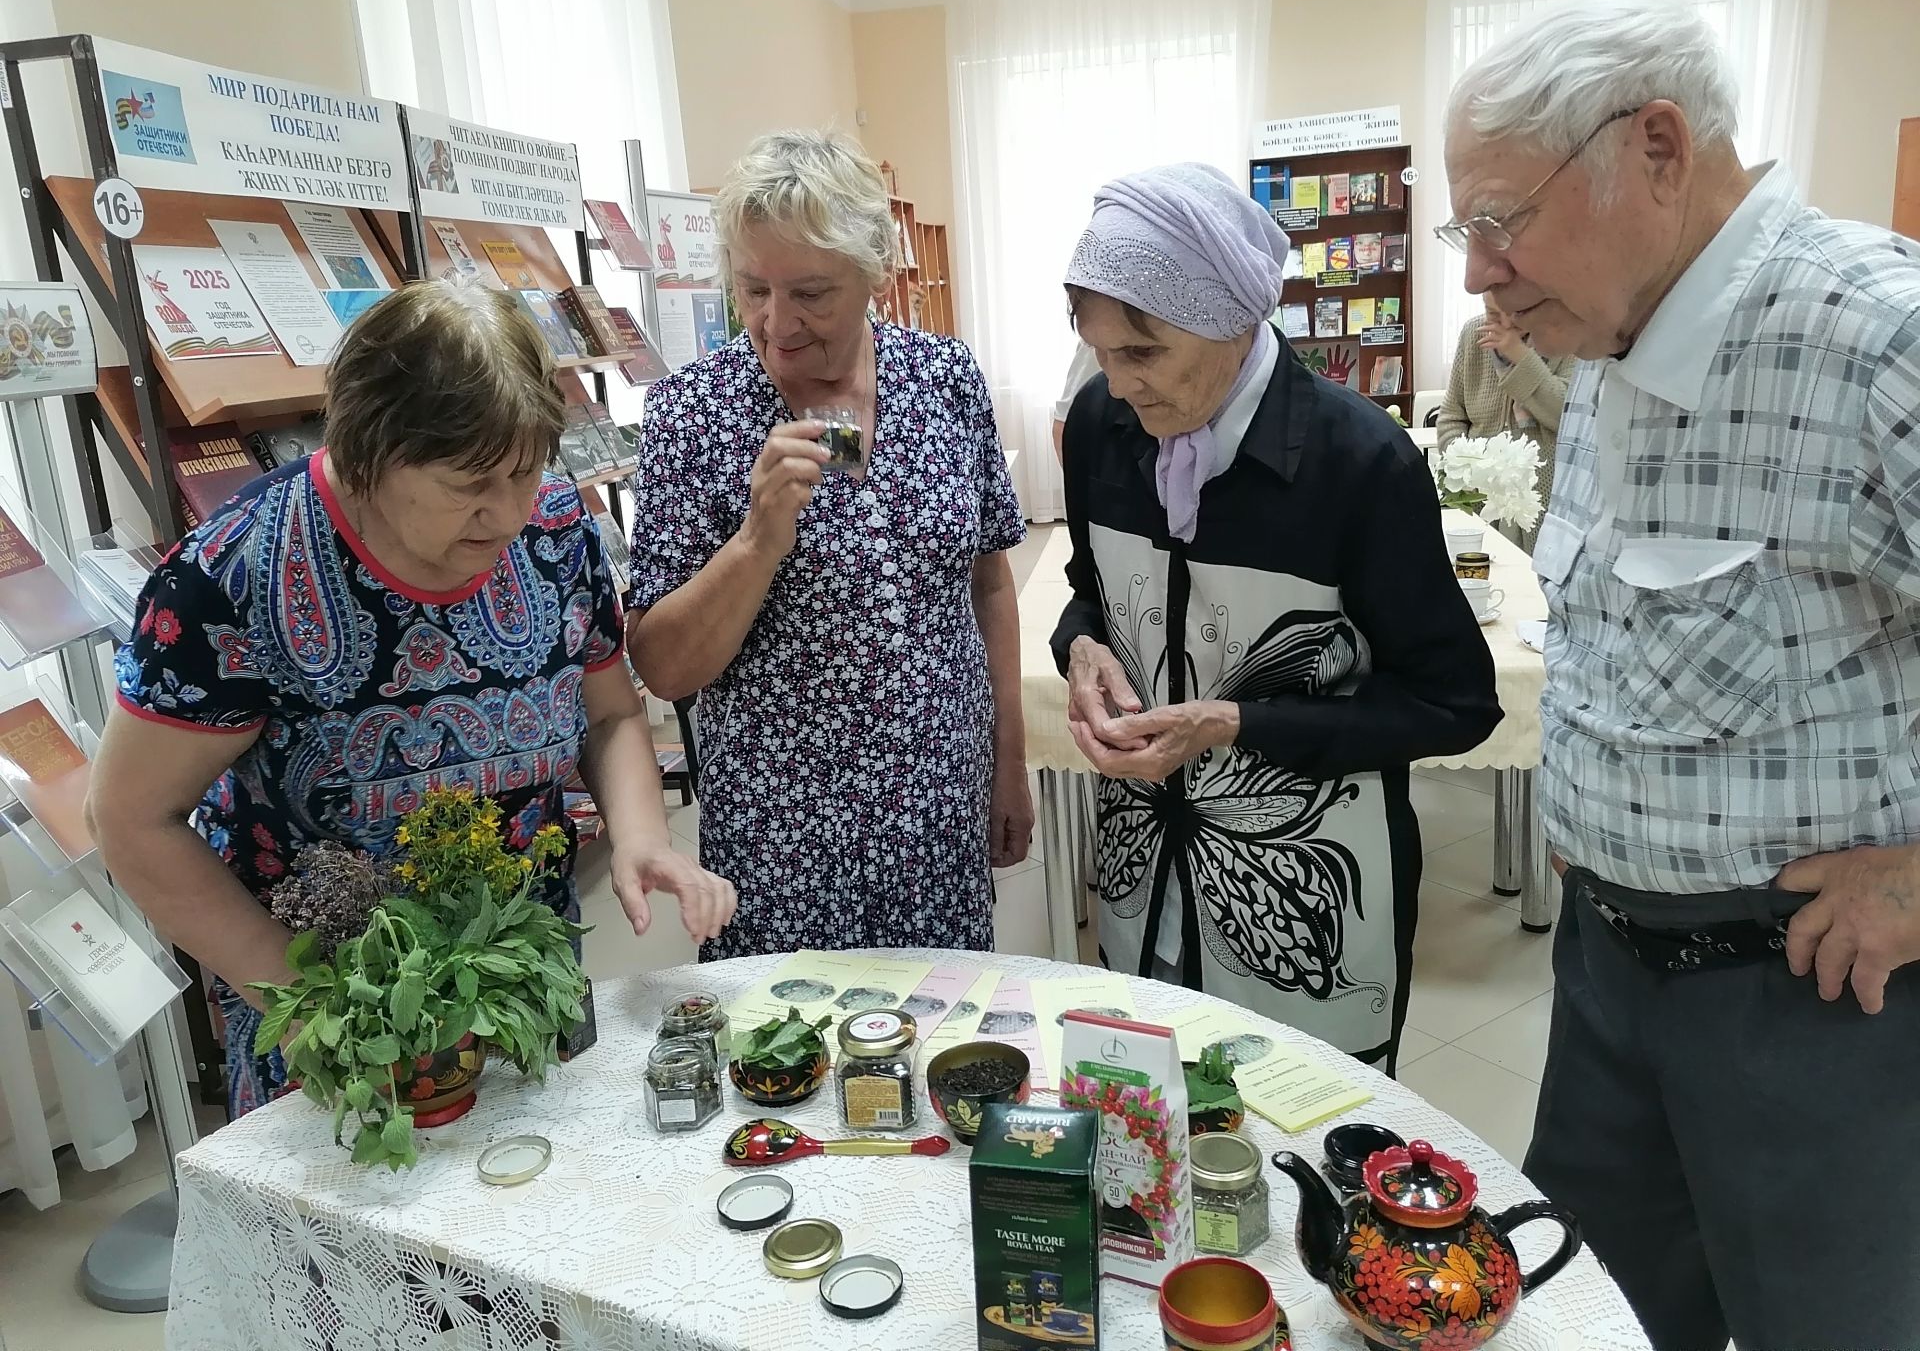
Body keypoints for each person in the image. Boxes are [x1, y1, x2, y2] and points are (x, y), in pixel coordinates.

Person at [1443, 0, 1920, 1350]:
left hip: (1810, 1006)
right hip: (1605, 981)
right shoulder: (1608, 333)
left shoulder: (1880, 341)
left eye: (1499, 218)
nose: (1477, 271)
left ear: (1654, 148)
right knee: (1584, 1324)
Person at [88, 281, 735, 1118]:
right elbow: (131, 819)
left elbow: (608, 712)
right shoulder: (229, 578)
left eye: (526, 472)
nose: (506, 513)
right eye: (470, 482)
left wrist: (643, 836)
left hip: (523, 988)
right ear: (368, 453)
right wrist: (308, 999)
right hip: (335, 1026)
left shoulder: (553, 530)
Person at [1054, 163, 1501, 1068]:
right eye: (1099, 352)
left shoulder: (1358, 462)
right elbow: (1091, 587)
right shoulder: (1105, 423)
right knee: (1150, 1124)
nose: (1120, 383)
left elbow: (1453, 701)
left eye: (1143, 352)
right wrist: (1084, 647)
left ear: (1231, 321)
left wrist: (1235, 722)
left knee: (1294, 1145)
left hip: (1300, 893)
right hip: (1147, 864)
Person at [627, 129, 1031, 959]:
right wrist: (756, 543)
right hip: (781, 847)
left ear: (875, 270)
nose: (778, 325)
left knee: (940, 1043)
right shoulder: (693, 416)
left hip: (937, 818)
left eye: (811, 292)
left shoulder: (944, 381)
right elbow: (663, 667)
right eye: (751, 290)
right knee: (788, 1066)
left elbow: (989, 580)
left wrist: (1009, 760)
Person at [1436, 293, 1572, 550]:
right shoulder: (1473, 334)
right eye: (1493, 314)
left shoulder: (1566, 338)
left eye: (1517, 312)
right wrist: (1464, 464)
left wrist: (1521, 358)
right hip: (1480, 498)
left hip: (1543, 498)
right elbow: (1451, 415)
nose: (1506, 324)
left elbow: (1566, 415)